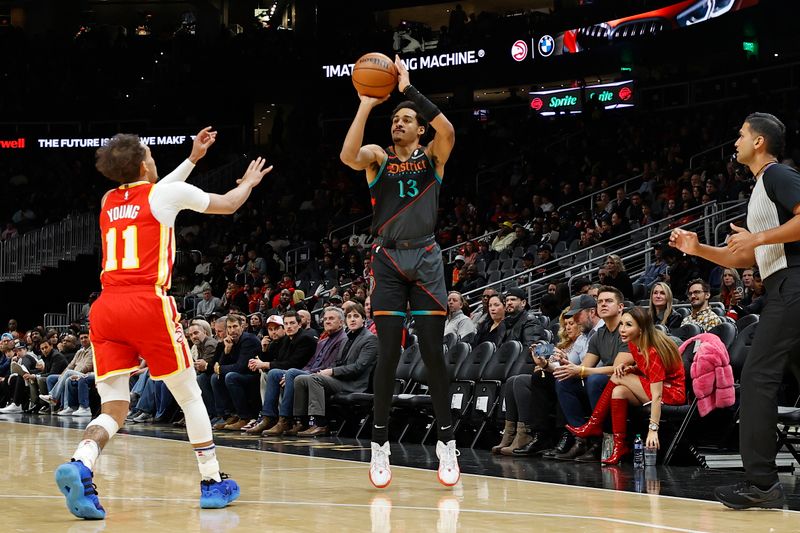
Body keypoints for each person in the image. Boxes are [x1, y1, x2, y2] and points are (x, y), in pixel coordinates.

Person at [54, 127, 272, 519]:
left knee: (114, 406)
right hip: (146, 304)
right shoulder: (162, 195)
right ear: (142, 164)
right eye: (152, 156)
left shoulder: (108, 200)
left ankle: (82, 463)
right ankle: (211, 480)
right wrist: (250, 184)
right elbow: (227, 204)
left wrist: (193, 159)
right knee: (189, 396)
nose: (156, 161)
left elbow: (155, 194)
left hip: (105, 308)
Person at [340, 54, 459, 488]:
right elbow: (347, 154)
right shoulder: (378, 158)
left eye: (406, 119)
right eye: (396, 119)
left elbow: (447, 129)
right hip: (387, 260)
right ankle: (379, 446)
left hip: (425, 258)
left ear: (419, 127)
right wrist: (367, 104)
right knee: (387, 356)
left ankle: (447, 443)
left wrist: (408, 91)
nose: (399, 123)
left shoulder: (433, 156)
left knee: (432, 355)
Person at [670, 112, 799, 510]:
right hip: (783, 283)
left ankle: (762, 484)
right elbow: (742, 257)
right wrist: (697, 249)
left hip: (792, 284)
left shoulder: (778, 176)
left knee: (758, 376)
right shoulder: (761, 190)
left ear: (760, 142)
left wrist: (759, 237)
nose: (736, 141)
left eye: (742, 134)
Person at [567, 307, 685, 465]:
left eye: (628, 325)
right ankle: (619, 446)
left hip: (671, 393)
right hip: (655, 388)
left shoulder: (652, 351)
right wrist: (632, 368)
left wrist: (653, 430)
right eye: (621, 324)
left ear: (641, 329)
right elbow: (647, 370)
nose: (622, 329)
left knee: (617, 376)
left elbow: (657, 395)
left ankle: (594, 424)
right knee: (619, 391)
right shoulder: (634, 344)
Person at [553, 287, 631, 462]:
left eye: (608, 301)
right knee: (564, 380)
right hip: (604, 382)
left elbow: (617, 368)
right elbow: (585, 367)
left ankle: (601, 441)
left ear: (620, 307)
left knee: (595, 379)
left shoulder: (628, 329)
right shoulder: (598, 335)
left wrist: (581, 370)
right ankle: (582, 437)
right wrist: (567, 367)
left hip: (628, 383)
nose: (603, 304)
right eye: (600, 301)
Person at [492, 307, 582, 457]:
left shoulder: (583, 342)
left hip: (569, 381)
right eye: (565, 324)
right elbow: (542, 365)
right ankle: (515, 433)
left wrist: (546, 366)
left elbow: (574, 368)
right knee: (515, 380)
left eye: (572, 323)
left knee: (534, 380)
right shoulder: (559, 345)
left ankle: (535, 434)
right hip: (552, 378)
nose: (568, 327)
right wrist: (540, 362)